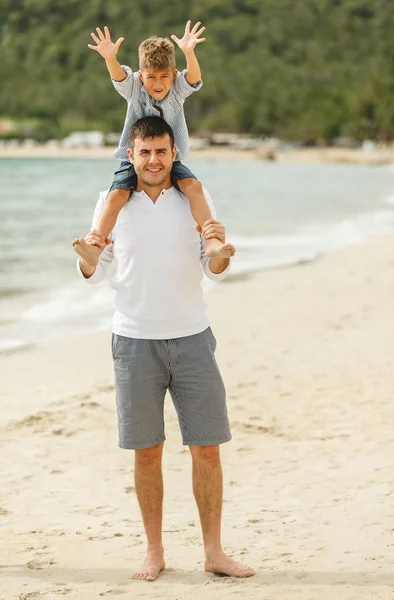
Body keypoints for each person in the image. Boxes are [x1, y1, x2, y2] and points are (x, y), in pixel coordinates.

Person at [74, 117, 254, 581]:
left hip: (193, 335)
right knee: (146, 452)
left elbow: (211, 264)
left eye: (160, 152)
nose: (153, 161)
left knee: (207, 449)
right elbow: (98, 262)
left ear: (174, 154)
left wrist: (220, 258)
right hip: (133, 340)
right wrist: (88, 260)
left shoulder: (193, 196)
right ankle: (154, 552)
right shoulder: (112, 202)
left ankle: (214, 552)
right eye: (144, 152)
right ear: (129, 156)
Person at [72, 21, 235, 267]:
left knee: (193, 186)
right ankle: (95, 247)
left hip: (171, 157)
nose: (158, 84)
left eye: (164, 77)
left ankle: (211, 242)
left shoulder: (178, 89)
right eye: (151, 77)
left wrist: (189, 52)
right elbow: (119, 77)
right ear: (140, 75)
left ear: (174, 74)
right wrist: (110, 58)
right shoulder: (135, 88)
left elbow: (194, 77)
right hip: (133, 160)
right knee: (116, 195)